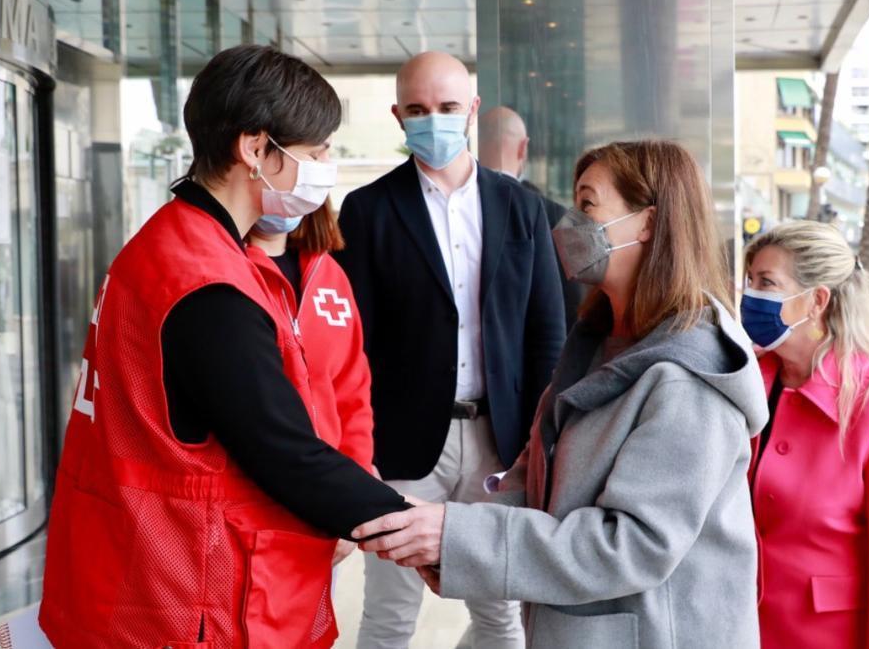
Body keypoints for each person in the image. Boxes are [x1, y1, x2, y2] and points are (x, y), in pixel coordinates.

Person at [38, 45, 408, 648]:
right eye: (315, 152)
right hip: (184, 597)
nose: (325, 167)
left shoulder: (170, 243)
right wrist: (408, 522)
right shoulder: (208, 285)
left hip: (135, 574)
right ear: (256, 150)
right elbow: (283, 450)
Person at [355, 140, 769, 649]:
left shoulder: (687, 378)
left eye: (588, 205)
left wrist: (456, 536)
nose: (569, 223)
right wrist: (441, 533)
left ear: (646, 223)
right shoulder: (596, 348)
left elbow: (632, 545)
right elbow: (543, 488)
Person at [335, 52, 565, 649]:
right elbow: (349, 343)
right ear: (396, 115)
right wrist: (356, 449)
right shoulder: (367, 210)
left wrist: (539, 440)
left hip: (500, 441)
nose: (432, 120)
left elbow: (546, 333)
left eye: (446, 108)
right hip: (403, 443)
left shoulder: (521, 208)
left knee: (500, 613)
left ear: (473, 111)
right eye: (416, 110)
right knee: (388, 614)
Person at [741, 222, 869, 648]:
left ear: (816, 300)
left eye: (767, 283)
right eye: (750, 281)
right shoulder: (745, 383)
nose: (751, 295)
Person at [246, 198, 376, 568]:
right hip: (256, 502)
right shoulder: (230, 270)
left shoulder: (328, 275)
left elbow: (352, 392)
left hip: (325, 499)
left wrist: (349, 495)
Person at [479, 105, 586, 331]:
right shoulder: (554, 215)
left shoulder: (456, 212)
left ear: (477, 146)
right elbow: (573, 301)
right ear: (523, 148)